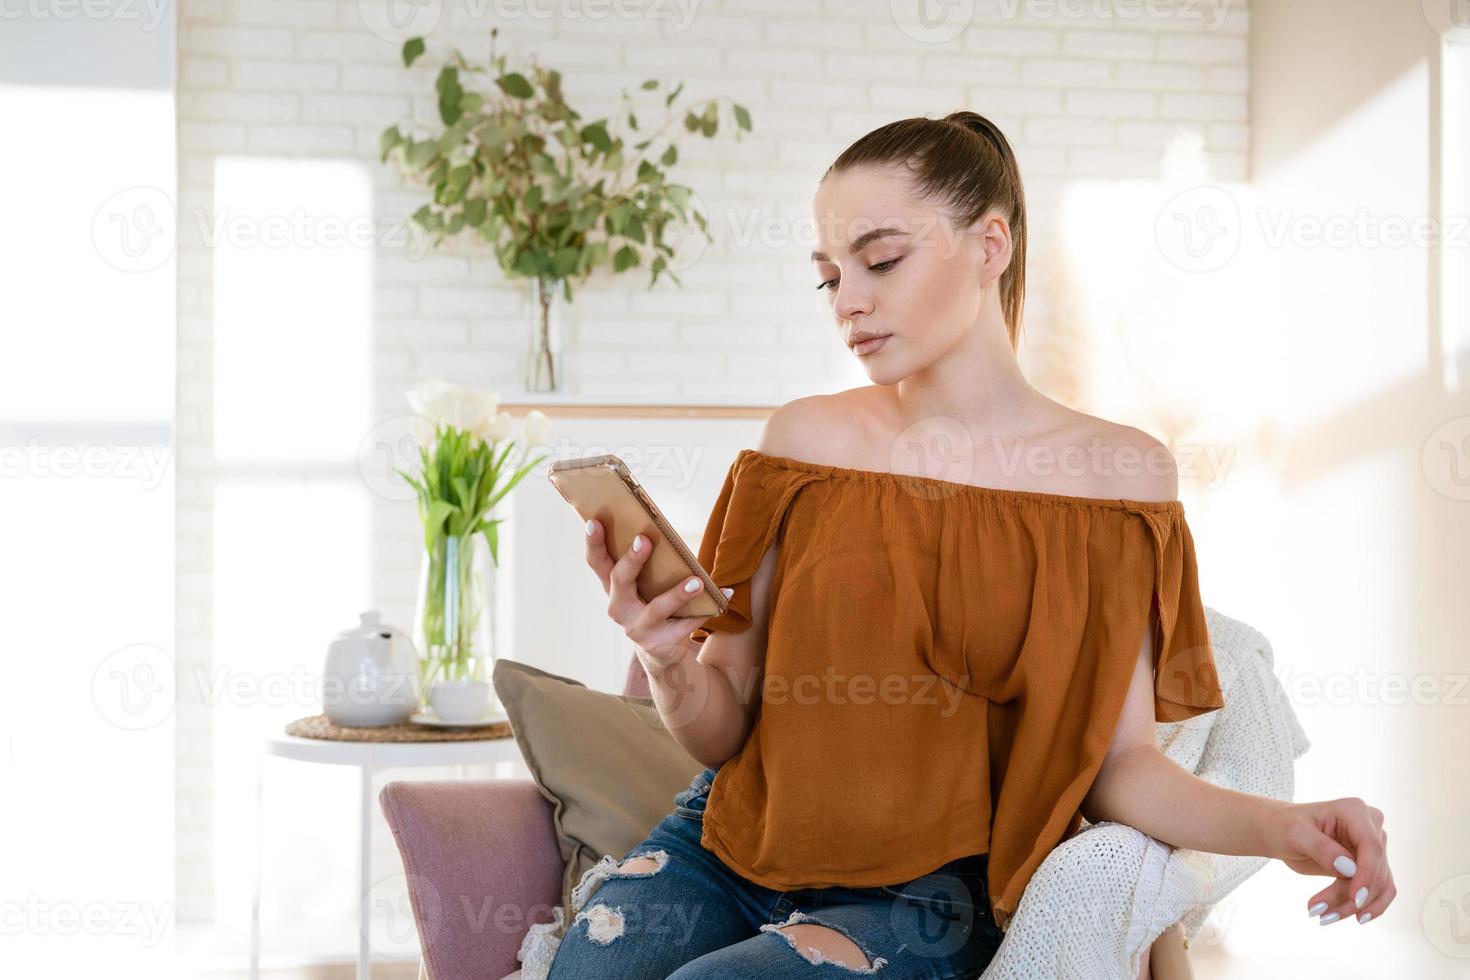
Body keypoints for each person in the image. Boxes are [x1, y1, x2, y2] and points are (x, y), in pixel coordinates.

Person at [546, 111, 1394, 979]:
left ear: (991, 244)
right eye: (829, 276)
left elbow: (1120, 768)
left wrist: (1282, 827)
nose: (849, 300)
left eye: (880, 261)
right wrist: (665, 662)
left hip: (924, 899)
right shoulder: (801, 445)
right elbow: (720, 725)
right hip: (721, 846)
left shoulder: (1118, 478)